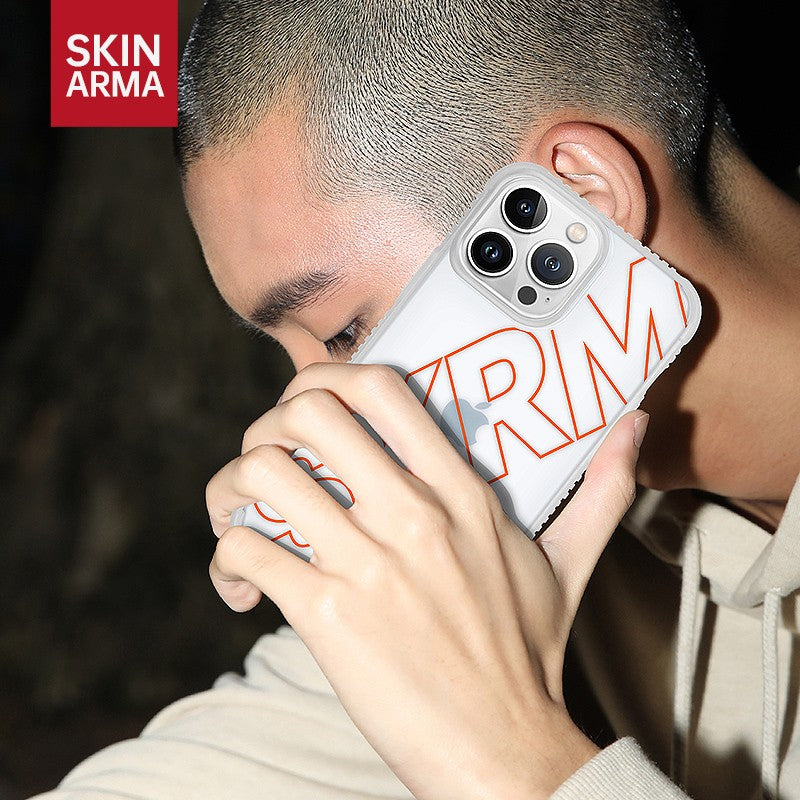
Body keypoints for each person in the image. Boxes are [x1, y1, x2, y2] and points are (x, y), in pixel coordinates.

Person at [33, 1, 800, 798]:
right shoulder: (518, 519)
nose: (310, 415)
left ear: (579, 199)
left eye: (343, 330)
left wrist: (510, 751)